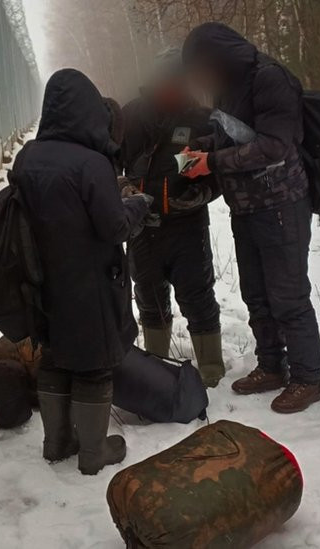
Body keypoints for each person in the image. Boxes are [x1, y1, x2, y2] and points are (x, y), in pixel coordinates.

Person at [11, 69, 153, 475]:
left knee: (55, 357)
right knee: (94, 366)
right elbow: (114, 227)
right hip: (89, 283)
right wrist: (138, 205)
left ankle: (56, 443)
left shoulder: (27, 157)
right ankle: (94, 452)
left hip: (41, 281)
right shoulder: (91, 163)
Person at [181, 23, 320, 413]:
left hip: (281, 204)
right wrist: (198, 150)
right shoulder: (227, 87)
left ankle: (308, 378)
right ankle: (271, 366)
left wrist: (211, 162)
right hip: (245, 207)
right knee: (256, 294)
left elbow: (274, 146)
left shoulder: (270, 79)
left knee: (288, 296)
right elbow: (231, 136)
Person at [118, 46, 225, 387]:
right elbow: (108, 163)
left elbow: (219, 170)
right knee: (149, 298)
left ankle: (211, 371)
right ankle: (158, 368)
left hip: (188, 226)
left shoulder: (203, 119)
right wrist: (123, 188)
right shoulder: (130, 116)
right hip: (141, 227)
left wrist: (203, 193)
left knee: (198, 296)